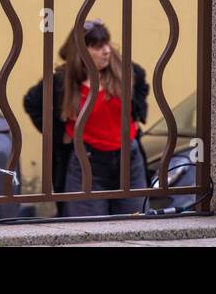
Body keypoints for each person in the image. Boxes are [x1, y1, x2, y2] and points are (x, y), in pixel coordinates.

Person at [23, 20, 150, 216]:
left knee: (136, 223)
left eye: (107, 44)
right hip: (87, 163)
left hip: (129, 161)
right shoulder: (62, 80)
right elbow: (32, 102)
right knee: (88, 228)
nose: (107, 51)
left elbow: (141, 84)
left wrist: (138, 113)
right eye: (98, 47)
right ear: (81, 51)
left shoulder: (124, 70)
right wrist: (61, 134)